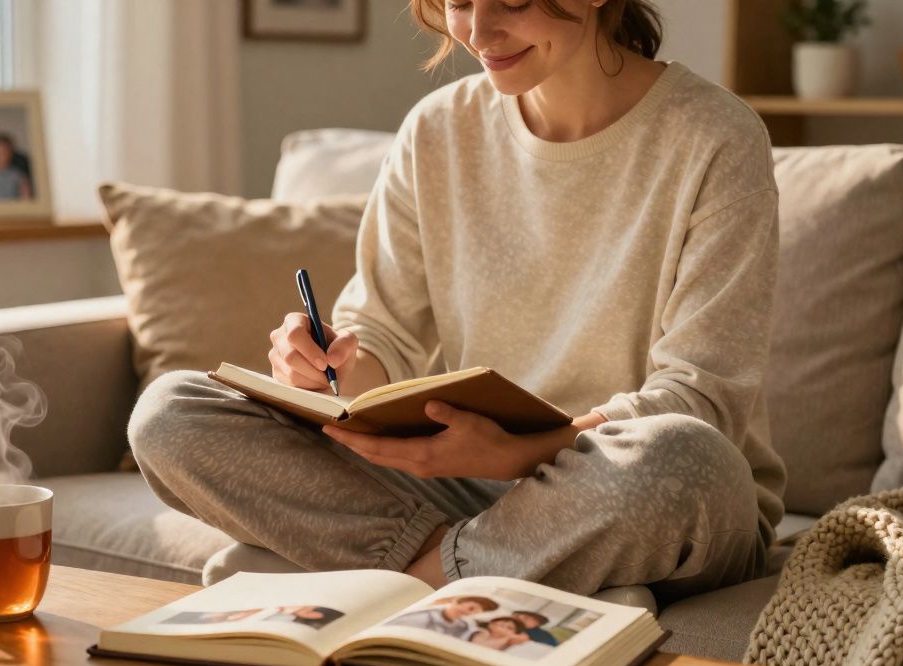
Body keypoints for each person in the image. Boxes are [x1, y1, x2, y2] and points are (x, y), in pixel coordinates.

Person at [130, 0, 784, 600]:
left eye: (510, 2)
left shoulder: (716, 137)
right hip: (466, 488)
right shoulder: (437, 131)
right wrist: (329, 365)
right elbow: (381, 334)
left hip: (628, 484)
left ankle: (402, 585)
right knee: (169, 414)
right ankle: (499, 569)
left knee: (678, 457)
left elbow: (700, 401)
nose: (476, 31)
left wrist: (526, 451)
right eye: (459, 2)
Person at [384, 595, 498, 638]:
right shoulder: (424, 617)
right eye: (471, 608)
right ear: (459, 601)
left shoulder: (462, 626)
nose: (469, 613)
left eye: (475, 613)